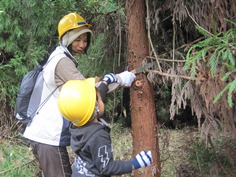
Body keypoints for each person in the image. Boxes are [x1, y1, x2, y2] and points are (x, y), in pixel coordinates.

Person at [23, 12, 136, 177]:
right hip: (48, 137)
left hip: (47, 136)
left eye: (85, 40)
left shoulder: (59, 56)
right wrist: (120, 79)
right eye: (77, 40)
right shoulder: (61, 61)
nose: (82, 45)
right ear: (66, 38)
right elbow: (88, 92)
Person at [58, 77, 153, 177]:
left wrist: (105, 83)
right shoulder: (98, 136)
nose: (102, 100)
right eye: (99, 99)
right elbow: (106, 167)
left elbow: (92, 106)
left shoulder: (76, 124)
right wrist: (134, 164)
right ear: (96, 107)